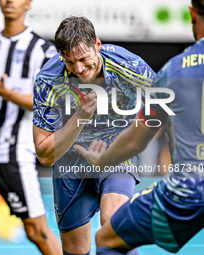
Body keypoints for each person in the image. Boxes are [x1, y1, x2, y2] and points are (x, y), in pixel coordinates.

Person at [73, 1, 204, 254]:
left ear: (191, 14)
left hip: (189, 190)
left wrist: (101, 162)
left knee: (108, 239)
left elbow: (136, 139)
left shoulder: (173, 70)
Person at [33, 16, 156, 255]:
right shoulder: (48, 80)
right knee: (75, 250)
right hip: (70, 158)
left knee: (113, 226)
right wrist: (80, 115)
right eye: (70, 62)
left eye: (84, 59)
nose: (79, 69)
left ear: (97, 45)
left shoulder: (130, 66)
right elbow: (45, 155)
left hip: (116, 149)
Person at [0, 0, 62, 254]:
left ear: (28, 3)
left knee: (37, 231)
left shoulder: (43, 51)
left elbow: (51, 103)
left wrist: (3, 91)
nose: (9, 1)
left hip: (15, 154)